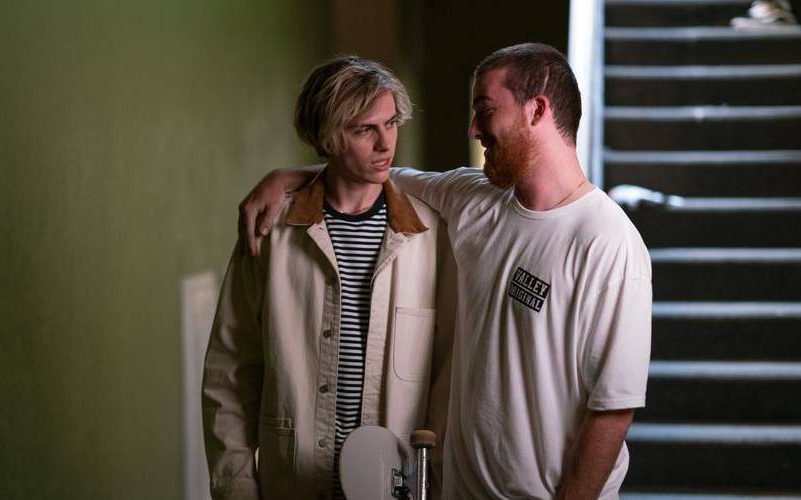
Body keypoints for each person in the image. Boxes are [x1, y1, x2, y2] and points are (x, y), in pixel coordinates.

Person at [241, 43, 652, 499]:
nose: (473, 128)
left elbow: (612, 409)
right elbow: (369, 172)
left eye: (485, 111)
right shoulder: (472, 199)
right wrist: (286, 177)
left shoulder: (607, 241)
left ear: (537, 110)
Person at [202, 56, 455, 500]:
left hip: (395, 484)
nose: (386, 143)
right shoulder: (272, 229)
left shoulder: (430, 235)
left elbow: (447, 373)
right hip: (293, 483)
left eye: (391, 123)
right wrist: (236, 489)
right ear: (327, 139)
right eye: (364, 130)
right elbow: (230, 372)